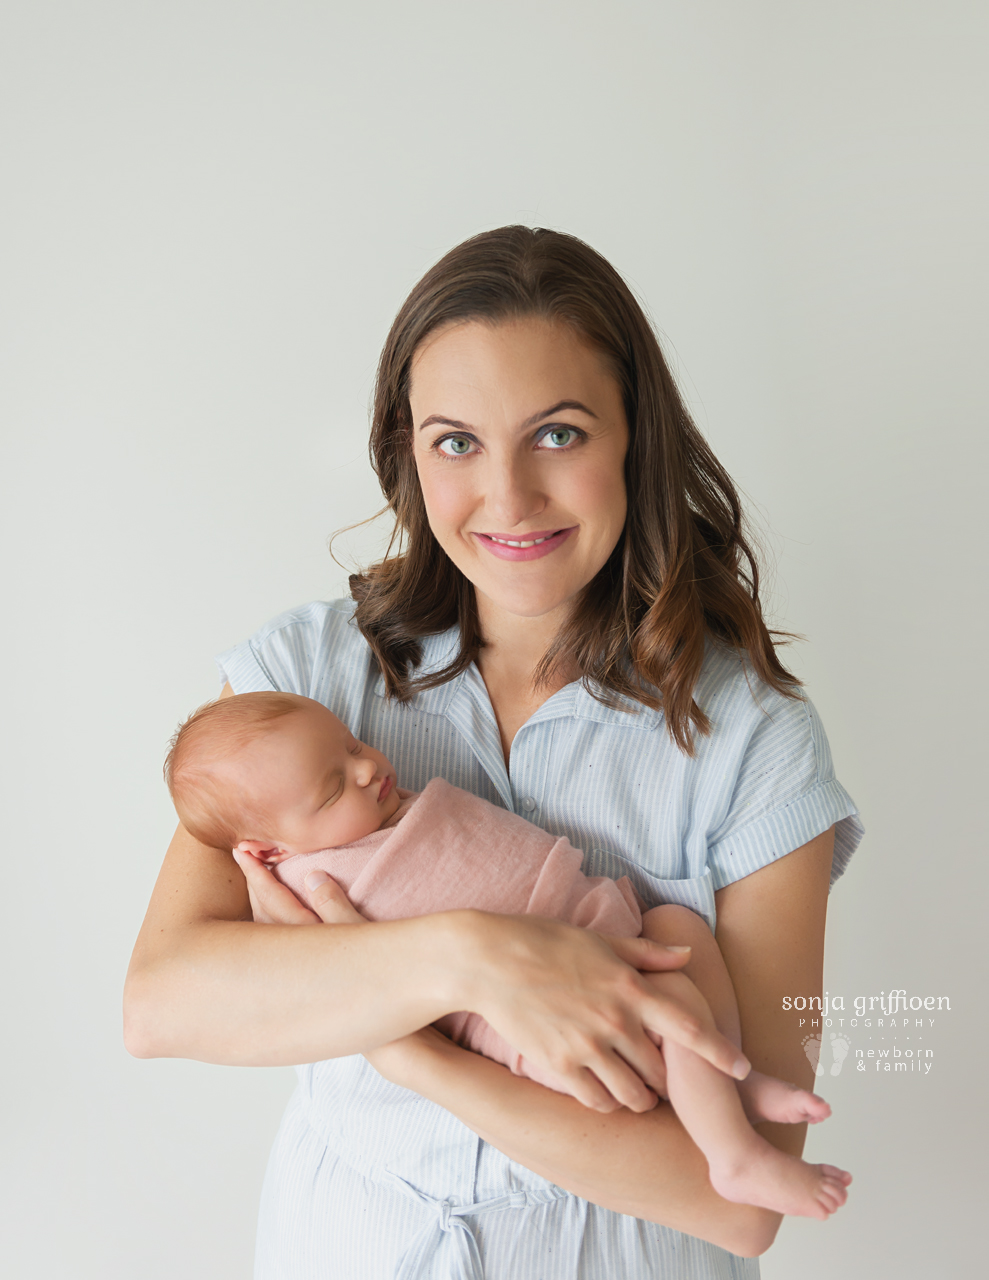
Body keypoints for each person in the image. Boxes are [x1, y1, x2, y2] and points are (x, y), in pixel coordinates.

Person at [125, 225, 863, 1279]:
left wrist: (407, 1050)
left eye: (557, 434)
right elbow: (161, 1001)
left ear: (633, 439)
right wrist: (471, 957)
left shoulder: (755, 744)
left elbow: (737, 1204)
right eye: (455, 441)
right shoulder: (306, 682)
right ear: (407, 448)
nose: (507, 498)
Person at [163, 689, 850, 1221]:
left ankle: (729, 1085)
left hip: (589, 924)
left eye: (351, 744)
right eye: (333, 787)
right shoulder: (303, 887)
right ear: (266, 851)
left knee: (679, 934)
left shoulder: (361, 803)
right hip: (525, 1014)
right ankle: (730, 1152)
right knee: (663, 1006)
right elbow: (209, 994)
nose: (368, 767)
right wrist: (272, 906)